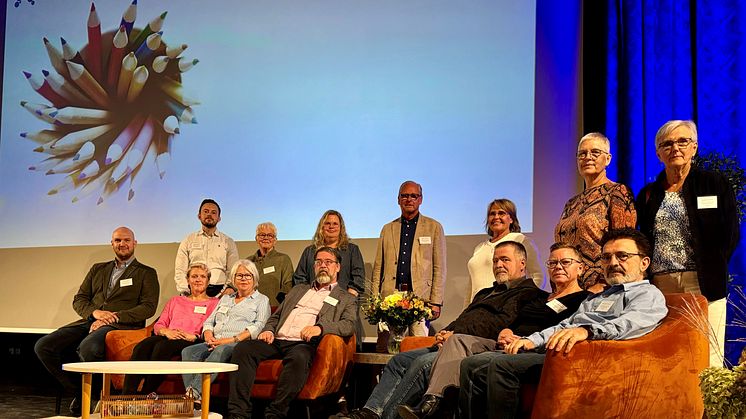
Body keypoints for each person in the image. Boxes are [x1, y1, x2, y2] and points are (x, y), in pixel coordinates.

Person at [459, 228, 668, 419]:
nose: (613, 263)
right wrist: (530, 340)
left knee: (501, 365)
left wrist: (586, 331)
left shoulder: (647, 294)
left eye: (622, 256)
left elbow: (632, 323)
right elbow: (564, 325)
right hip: (560, 350)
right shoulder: (597, 297)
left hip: (589, 358)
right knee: (473, 363)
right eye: (606, 257)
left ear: (644, 263)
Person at [339, 241, 562, 419]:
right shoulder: (485, 292)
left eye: (505, 260)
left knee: (422, 364)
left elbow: (500, 324)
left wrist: (455, 335)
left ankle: (390, 415)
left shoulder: (528, 294)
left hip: (477, 345)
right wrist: (445, 332)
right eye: (495, 261)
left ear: (522, 264)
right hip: (454, 340)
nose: (498, 265)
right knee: (400, 360)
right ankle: (371, 411)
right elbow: (463, 318)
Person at [396, 243, 589, 419]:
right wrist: (505, 331)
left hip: (534, 348)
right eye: (553, 262)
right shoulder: (542, 298)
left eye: (565, 262)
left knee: (468, 362)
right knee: (443, 349)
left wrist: (524, 339)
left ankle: (435, 405)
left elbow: (566, 328)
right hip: (505, 343)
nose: (558, 266)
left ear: (580, 268)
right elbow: (514, 320)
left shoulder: (584, 298)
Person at [636, 120, 739, 367]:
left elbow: (731, 233)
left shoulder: (714, 183)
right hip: (661, 284)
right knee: (668, 351)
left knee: (708, 351)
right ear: (658, 153)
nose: (676, 148)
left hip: (703, 281)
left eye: (683, 141)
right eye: (667, 144)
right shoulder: (648, 194)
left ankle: (709, 406)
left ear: (694, 147)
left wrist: (714, 264)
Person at [34, 227, 159, 416]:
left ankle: (99, 395)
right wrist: (95, 314)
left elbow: (148, 307)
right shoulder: (98, 268)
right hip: (91, 320)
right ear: (112, 243)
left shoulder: (146, 273)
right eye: (117, 240)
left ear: (135, 243)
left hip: (120, 325)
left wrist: (113, 316)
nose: (122, 244)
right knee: (44, 346)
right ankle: (84, 393)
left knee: (88, 348)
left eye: (126, 240)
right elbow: (80, 299)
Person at [227, 246, 357, 419]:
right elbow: (276, 316)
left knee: (300, 358)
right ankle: (238, 414)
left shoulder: (345, 297)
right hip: (277, 340)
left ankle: (275, 413)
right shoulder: (298, 290)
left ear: (338, 266)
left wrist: (321, 328)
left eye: (328, 262)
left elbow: (348, 325)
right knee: (243, 349)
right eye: (318, 262)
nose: (323, 265)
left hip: (303, 343)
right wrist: (268, 329)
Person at [554, 133, 637, 292]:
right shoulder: (571, 203)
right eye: (582, 154)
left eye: (595, 152)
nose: (588, 157)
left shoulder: (617, 192)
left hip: (601, 287)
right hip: (569, 287)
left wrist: (604, 283)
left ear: (608, 159)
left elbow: (624, 241)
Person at [181, 259, 271, 405]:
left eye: (248, 275)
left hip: (238, 343)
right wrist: (209, 335)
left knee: (220, 351)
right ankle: (195, 398)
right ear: (233, 279)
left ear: (254, 278)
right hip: (214, 340)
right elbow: (209, 321)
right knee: (188, 352)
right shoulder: (226, 299)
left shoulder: (261, 300)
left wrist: (229, 340)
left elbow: (258, 326)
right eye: (239, 275)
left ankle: (193, 394)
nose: (243, 279)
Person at [123, 263, 219, 394]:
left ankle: (146, 394)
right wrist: (166, 331)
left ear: (208, 281)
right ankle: (127, 395)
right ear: (188, 280)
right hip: (168, 335)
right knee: (142, 346)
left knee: (162, 348)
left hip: (193, 339)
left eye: (202, 277)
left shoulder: (214, 303)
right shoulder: (175, 301)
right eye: (194, 276)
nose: (198, 280)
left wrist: (196, 336)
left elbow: (216, 327)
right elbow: (159, 324)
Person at [370, 181, 447, 335]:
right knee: (387, 346)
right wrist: (374, 300)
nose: (409, 199)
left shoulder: (434, 227)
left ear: (420, 199)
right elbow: (379, 266)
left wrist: (436, 302)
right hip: (390, 297)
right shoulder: (387, 228)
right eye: (404, 196)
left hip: (421, 298)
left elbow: (440, 267)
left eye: (414, 196)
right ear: (398, 199)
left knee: (417, 347)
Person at [467, 198, 548, 306]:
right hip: (477, 308)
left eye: (501, 213)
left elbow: (538, 275)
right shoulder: (479, 247)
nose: (496, 217)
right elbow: (471, 284)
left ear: (511, 219)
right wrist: (466, 310)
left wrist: (522, 301)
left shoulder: (519, 240)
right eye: (492, 214)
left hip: (503, 308)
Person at [175, 198, 239, 296]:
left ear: (219, 218)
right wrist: (185, 291)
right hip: (193, 290)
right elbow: (180, 270)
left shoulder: (228, 242)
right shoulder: (188, 240)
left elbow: (233, 270)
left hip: (221, 290)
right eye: (206, 211)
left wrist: (229, 289)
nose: (209, 214)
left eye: (213, 212)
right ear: (199, 216)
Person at [293, 210, 365, 297]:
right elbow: (299, 278)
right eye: (327, 223)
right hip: (313, 301)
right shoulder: (309, 251)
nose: (331, 226)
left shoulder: (352, 250)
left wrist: (346, 300)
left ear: (341, 228)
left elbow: (358, 278)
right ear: (322, 227)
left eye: (335, 224)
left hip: (343, 302)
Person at [247, 222, 294, 305]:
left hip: (274, 307)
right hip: (250, 306)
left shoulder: (283, 259)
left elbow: (288, 284)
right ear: (256, 238)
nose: (266, 238)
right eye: (262, 235)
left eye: (270, 235)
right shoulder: (248, 261)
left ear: (275, 240)